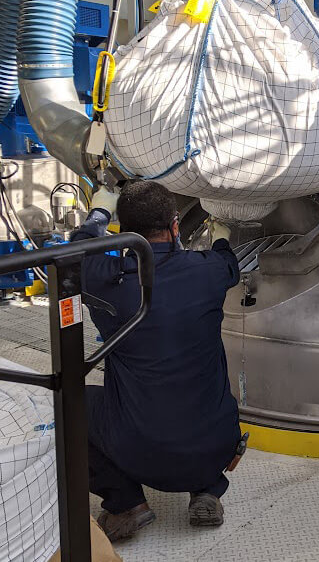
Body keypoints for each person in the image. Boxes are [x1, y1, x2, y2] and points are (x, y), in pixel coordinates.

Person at [71, 181, 241, 542]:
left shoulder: (107, 279)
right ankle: (207, 489)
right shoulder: (208, 271)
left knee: (69, 402)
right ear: (176, 224)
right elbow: (229, 260)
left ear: (121, 229)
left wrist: (99, 212)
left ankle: (127, 503)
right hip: (218, 442)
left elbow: (76, 252)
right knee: (203, 394)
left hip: (141, 450)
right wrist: (221, 235)